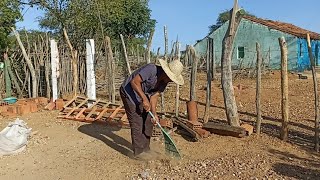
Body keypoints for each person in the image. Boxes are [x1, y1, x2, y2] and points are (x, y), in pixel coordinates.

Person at [120, 59, 184, 159]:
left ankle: (145, 148)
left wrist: (154, 114)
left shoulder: (164, 82)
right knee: (137, 121)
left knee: (148, 120)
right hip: (129, 92)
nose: (171, 80)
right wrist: (144, 99)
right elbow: (134, 82)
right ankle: (139, 153)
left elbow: (154, 96)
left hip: (142, 96)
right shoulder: (151, 69)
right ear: (166, 72)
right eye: (171, 77)